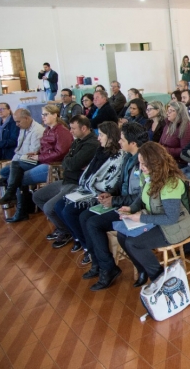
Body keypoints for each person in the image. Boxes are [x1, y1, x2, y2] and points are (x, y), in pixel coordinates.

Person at [79, 123, 149, 290]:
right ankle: (97, 263)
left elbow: (141, 197)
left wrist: (115, 201)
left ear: (133, 143)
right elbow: (122, 184)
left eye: (122, 139)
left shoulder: (144, 161)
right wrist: (111, 195)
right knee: (84, 217)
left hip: (136, 209)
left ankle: (108, 268)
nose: (119, 142)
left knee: (93, 224)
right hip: (123, 203)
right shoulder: (127, 157)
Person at [117, 142, 190, 286]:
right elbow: (142, 197)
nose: (141, 167)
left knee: (134, 243)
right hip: (160, 221)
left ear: (156, 163)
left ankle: (160, 279)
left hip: (178, 226)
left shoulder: (171, 183)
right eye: (140, 163)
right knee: (122, 235)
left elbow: (171, 218)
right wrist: (131, 209)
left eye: (144, 164)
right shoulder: (149, 175)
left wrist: (141, 217)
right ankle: (143, 270)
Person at [52, 121, 125, 262]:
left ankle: (87, 246)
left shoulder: (118, 156)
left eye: (101, 135)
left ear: (110, 137)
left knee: (71, 212)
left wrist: (92, 185)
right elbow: (88, 173)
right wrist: (90, 184)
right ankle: (79, 238)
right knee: (59, 206)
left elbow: (109, 184)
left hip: (99, 193)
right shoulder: (100, 151)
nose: (98, 138)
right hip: (89, 189)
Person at [0, 105, 73, 222]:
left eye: (46, 114)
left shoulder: (62, 131)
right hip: (43, 160)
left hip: (53, 166)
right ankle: (16, 202)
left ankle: (19, 207)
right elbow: (46, 148)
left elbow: (60, 153)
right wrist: (37, 152)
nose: (43, 117)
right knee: (15, 166)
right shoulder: (48, 129)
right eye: (42, 114)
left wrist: (39, 156)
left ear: (55, 115)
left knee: (17, 177)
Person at [34, 115, 100, 246]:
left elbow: (73, 163)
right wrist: (69, 161)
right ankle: (63, 227)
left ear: (84, 128)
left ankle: (65, 231)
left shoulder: (91, 144)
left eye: (73, 128)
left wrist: (69, 161)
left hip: (76, 183)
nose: (71, 131)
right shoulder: (78, 141)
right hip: (66, 180)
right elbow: (66, 161)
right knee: (38, 196)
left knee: (49, 207)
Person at [160, 100, 190, 167]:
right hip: (166, 159)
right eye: (167, 111)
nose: (167, 113)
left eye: (171, 111)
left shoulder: (186, 128)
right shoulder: (168, 125)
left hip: (179, 162)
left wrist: (166, 150)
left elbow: (185, 150)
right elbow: (161, 142)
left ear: (179, 113)